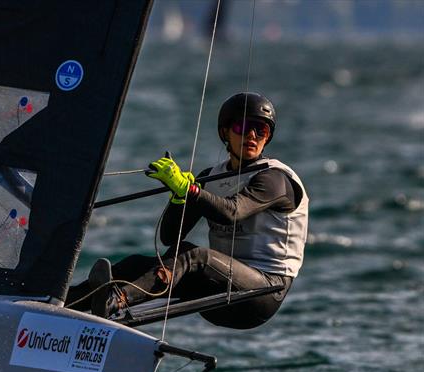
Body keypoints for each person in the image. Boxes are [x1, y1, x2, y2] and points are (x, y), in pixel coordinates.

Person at [67, 92, 308, 329]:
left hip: (262, 294)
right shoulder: (210, 177)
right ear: (225, 132)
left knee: (194, 255)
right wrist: (179, 198)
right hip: (217, 288)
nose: (252, 135)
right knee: (137, 264)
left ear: (268, 136)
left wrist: (190, 190)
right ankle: (65, 300)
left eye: (261, 130)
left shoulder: (274, 179)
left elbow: (232, 212)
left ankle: (115, 302)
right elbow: (169, 237)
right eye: (242, 127)